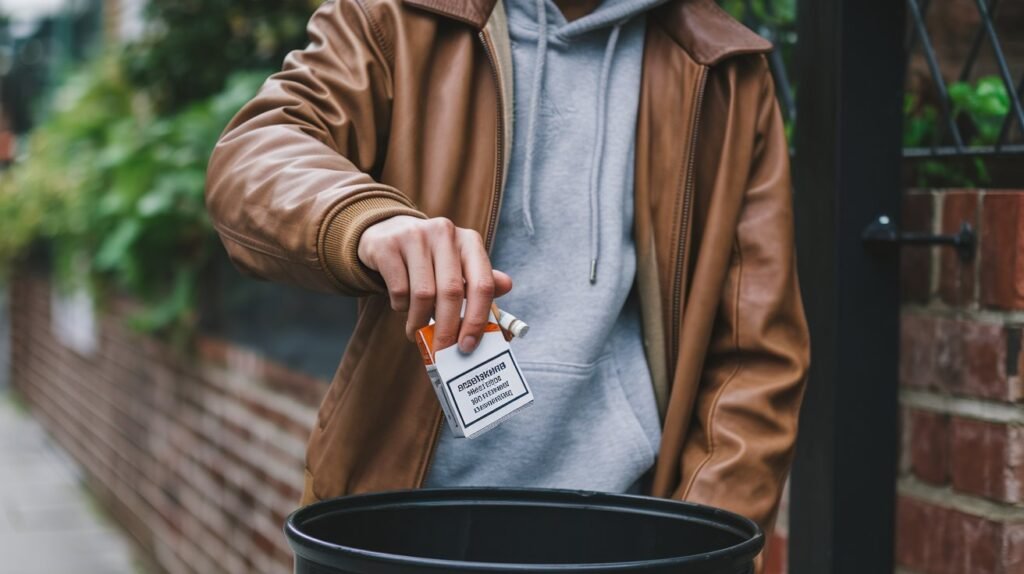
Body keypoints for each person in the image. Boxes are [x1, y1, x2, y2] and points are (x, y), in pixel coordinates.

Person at [206, 0, 809, 564]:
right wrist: (363, 220)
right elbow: (257, 153)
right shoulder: (397, 15)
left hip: (625, 538)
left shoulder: (724, 69)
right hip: (397, 530)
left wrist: (697, 549)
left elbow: (753, 359)